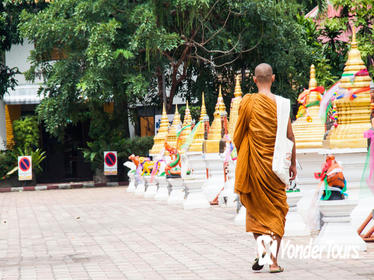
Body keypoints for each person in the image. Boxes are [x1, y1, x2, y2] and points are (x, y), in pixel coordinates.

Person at [233, 63, 296, 273]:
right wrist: (293, 163)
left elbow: (238, 136)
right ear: (274, 78)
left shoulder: (247, 102)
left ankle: (263, 253)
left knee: (256, 213)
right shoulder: (282, 104)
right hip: (277, 168)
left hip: (255, 168)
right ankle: (273, 262)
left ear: (254, 80)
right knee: (278, 212)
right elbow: (290, 136)